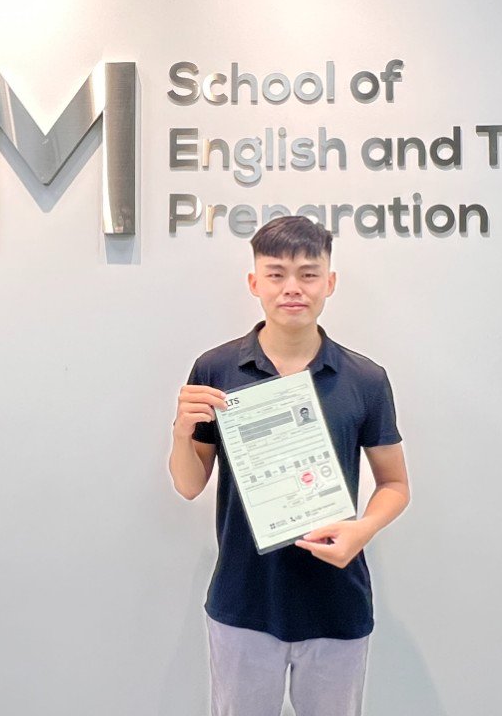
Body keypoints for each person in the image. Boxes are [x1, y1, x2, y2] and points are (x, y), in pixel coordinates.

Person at [168, 215, 410, 716]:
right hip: (243, 599)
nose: (292, 288)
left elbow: (394, 484)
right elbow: (189, 485)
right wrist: (180, 432)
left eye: (308, 274)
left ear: (330, 282)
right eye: (276, 274)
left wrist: (362, 529)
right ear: (254, 282)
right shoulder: (216, 369)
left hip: (335, 603)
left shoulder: (365, 378)